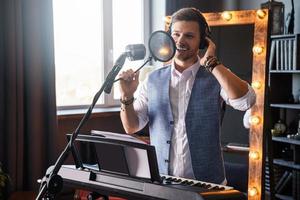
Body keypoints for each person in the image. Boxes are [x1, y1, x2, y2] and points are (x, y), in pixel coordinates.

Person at [118, 7, 256, 184]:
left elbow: (246, 101)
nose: (180, 41)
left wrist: (212, 64)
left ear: (203, 42)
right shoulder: (152, 79)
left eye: (189, 36)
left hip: (207, 185)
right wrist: (126, 96)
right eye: (176, 34)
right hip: (163, 181)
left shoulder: (216, 74)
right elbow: (132, 126)